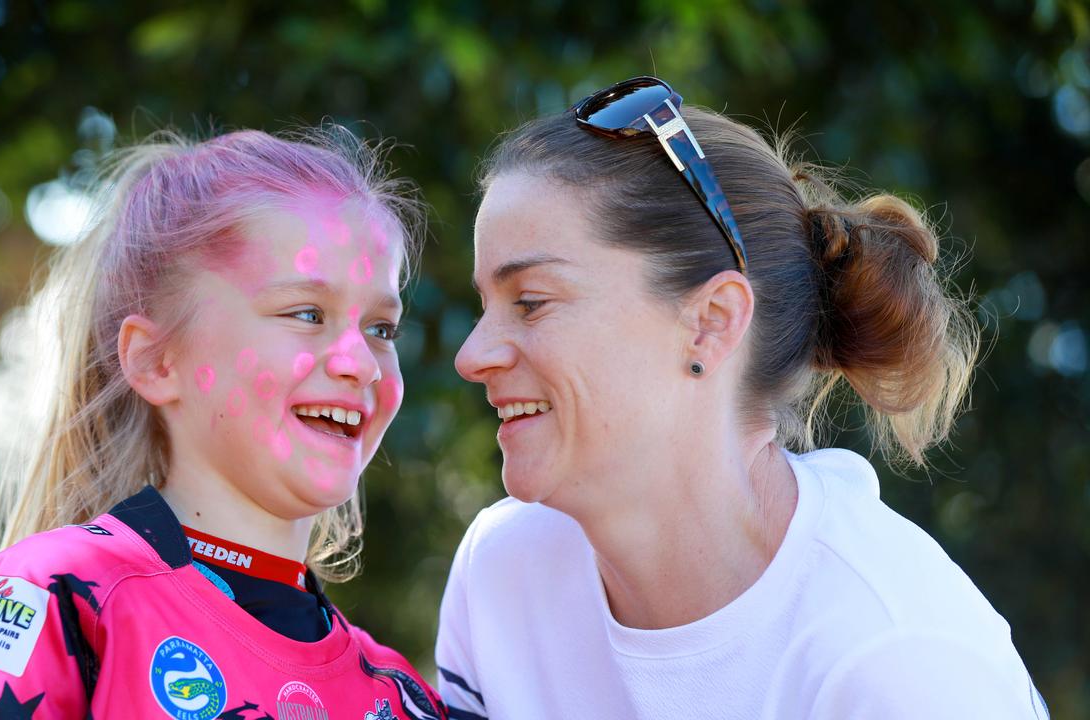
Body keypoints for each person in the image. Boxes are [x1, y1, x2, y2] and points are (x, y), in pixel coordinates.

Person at [436, 76, 1048, 719]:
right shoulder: (502, 573)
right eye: (485, 307)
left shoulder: (896, 663)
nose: (472, 356)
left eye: (531, 302)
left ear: (712, 320)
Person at [0, 127, 446, 720]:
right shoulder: (55, 598)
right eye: (306, 313)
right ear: (156, 360)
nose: (360, 365)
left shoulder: (402, 696)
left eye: (381, 328)